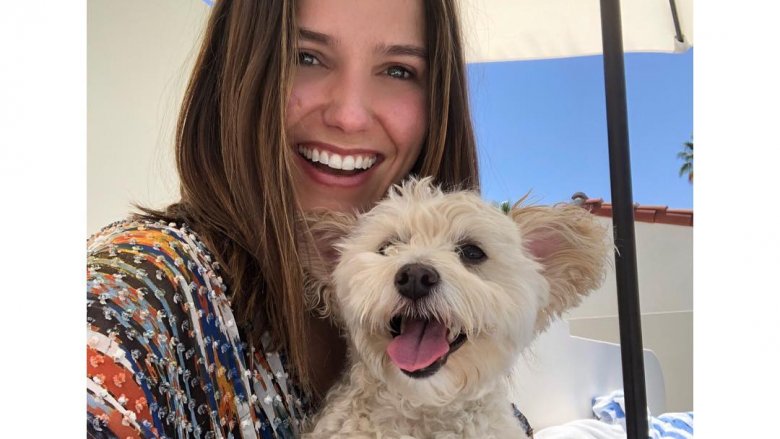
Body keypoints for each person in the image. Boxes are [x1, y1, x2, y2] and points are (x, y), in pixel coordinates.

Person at [86, 0, 478, 437]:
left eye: (398, 70)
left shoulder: (469, 351)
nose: (349, 115)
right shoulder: (145, 287)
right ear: (233, 70)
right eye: (305, 57)